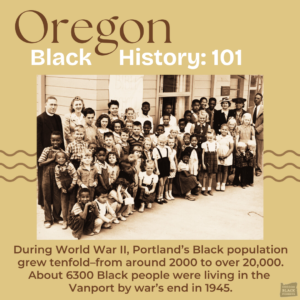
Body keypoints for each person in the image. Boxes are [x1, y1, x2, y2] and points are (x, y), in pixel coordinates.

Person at [37, 96, 64, 208]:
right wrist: (41, 157)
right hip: (45, 153)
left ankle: (54, 201)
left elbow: (61, 136)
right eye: (51, 104)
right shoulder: (39, 118)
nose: (53, 107)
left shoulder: (58, 118)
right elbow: (37, 139)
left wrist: (62, 153)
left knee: (55, 177)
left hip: (57, 152)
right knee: (44, 180)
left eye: (55, 105)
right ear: (45, 105)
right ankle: (43, 202)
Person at [38, 131, 65, 228]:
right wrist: (52, 159)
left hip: (58, 177)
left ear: (61, 141)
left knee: (57, 197)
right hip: (46, 175)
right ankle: (48, 219)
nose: (55, 142)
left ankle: (57, 217)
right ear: (50, 140)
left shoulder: (63, 152)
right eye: (53, 140)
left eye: (57, 140)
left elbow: (65, 164)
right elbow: (40, 163)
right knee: (47, 196)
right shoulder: (46, 150)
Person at [54, 151, 77, 230]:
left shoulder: (70, 165)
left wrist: (72, 185)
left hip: (71, 186)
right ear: (56, 159)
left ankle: (71, 220)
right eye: (59, 158)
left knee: (72, 203)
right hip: (63, 187)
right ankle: (65, 220)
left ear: (66, 158)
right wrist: (61, 188)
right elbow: (57, 178)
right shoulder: (57, 167)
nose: (61, 159)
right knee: (64, 204)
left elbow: (75, 175)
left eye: (63, 158)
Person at [247, 93, 264, 176]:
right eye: (255, 98)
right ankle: (249, 168)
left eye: (258, 98)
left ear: (261, 100)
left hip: (259, 134)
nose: (256, 99)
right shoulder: (250, 109)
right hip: (249, 134)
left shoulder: (264, 109)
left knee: (259, 152)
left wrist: (256, 129)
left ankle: (258, 169)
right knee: (249, 151)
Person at [153, 134, 172, 204]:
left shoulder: (167, 148)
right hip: (160, 166)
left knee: (164, 183)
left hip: (166, 166)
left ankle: (161, 196)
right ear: (158, 142)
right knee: (160, 183)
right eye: (160, 142)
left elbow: (170, 159)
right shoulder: (156, 149)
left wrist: (170, 167)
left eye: (163, 142)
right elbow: (155, 160)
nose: (162, 144)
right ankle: (158, 197)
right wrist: (157, 169)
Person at [216, 124, 234, 192]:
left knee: (225, 170)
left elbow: (231, 148)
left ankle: (223, 184)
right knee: (219, 170)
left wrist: (226, 155)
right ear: (220, 130)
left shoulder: (230, 138)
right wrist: (218, 155)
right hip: (219, 155)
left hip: (227, 156)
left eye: (226, 130)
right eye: (223, 129)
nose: (224, 131)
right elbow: (215, 146)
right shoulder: (217, 137)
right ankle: (218, 183)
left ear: (228, 131)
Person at [201, 130, 219, 196]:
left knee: (211, 175)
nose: (209, 139)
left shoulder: (216, 143)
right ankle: (203, 189)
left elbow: (217, 154)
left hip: (213, 160)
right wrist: (203, 163)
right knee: (205, 175)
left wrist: (217, 162)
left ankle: (209, 189)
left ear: (214, 136)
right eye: (208, 137)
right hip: (207, 160)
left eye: (211, 137)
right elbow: (203, 154)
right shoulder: (205, 144)